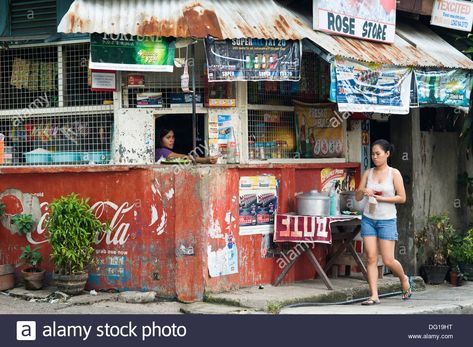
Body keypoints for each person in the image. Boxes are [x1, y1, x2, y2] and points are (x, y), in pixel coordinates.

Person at [355, 139, 412, 305]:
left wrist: (381, 198)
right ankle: (374, 295)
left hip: (387, 220)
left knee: (388, 260)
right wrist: (363, 190)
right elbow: (358, 197)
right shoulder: (368, 173)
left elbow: (402, 198)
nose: (374, 157)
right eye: (372, 154)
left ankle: (403, 278)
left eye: (378, 154)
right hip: (368, 219)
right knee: (371, 258)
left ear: (387, 154)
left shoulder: (394, 173)